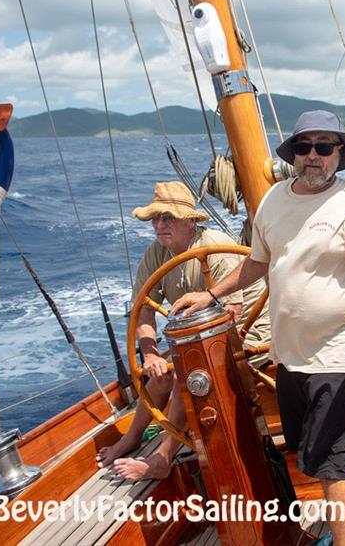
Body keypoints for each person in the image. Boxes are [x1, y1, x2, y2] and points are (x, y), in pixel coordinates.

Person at [171, 110, 345, 546]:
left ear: (338, 155)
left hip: (339, 354)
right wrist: (211, 296)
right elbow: (258, 262)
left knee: (332, 463)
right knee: (305, 454)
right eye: (304, 147)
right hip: (288, 355)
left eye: (324, 147)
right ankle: (330, 526)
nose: (314, 156)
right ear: (293, 154)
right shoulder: (273, 199)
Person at [96, 180, 270, 481]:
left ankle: (162, 457)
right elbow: (145, 308)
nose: (160, 225)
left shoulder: (214, 248)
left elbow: (232, 313)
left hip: (249, 335)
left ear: (190, 221)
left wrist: (183, 356)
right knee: (160, 374)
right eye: (156, 219)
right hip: (197, 337)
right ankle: (133, 436)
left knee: (183, 373)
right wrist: (150, 355)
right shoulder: (156, 253)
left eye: (168, 218)